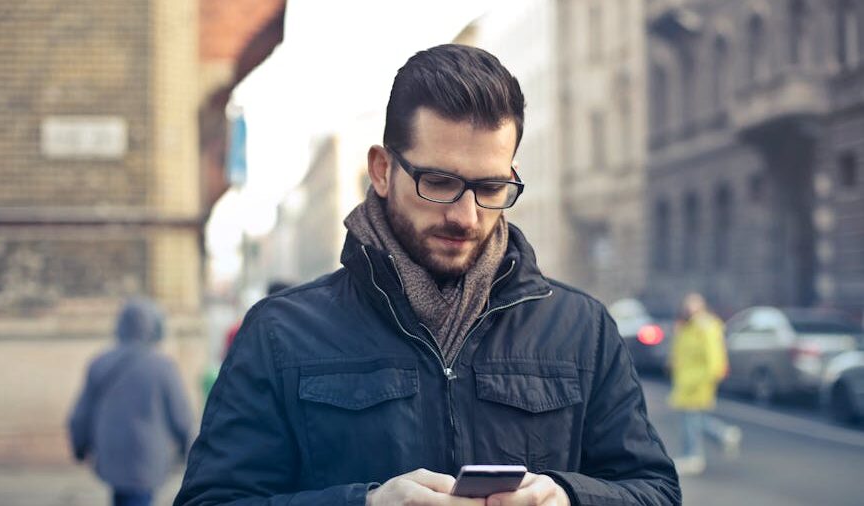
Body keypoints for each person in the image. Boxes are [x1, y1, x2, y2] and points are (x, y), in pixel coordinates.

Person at [175, 44, 679, 506]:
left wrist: (569, 499)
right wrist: (364, 505)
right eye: (438, 182)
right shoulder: (279, 333)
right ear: (381, 170)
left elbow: (656, 492)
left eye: (490, 187)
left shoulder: (583, 329)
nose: (465, 215)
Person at [69, 297, 194, 506]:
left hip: (111, 454)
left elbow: (82, 413)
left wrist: (79, 445)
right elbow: (181, 416)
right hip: (148, 455)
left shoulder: (101, 363)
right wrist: (186, 448)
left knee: (122, 498)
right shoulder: (163, 367)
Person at [668, 292, 742, 476]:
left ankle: (692, 455)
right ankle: (724, 434)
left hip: (697, 381)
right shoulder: (687, 326)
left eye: (692, 304)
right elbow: (680, 352)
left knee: (690, 419)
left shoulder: (706, 326)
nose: (688, 308)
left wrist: (709, 377)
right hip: (686, 381)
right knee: (692, 418)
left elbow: (714, 358)